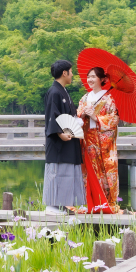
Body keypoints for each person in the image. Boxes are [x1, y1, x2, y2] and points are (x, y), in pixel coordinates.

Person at [42, 59, 85, 214]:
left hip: (68, 139)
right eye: (71, 72)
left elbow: (69, 115)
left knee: (67, 172)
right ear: (64, 73)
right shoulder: (54, 92)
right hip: (58, 141)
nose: (72, 75)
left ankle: (62, 205)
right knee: (58, 171)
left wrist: (78, 121)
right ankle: (52, 205)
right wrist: (60, 133)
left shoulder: (63, 91)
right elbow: (51, 116)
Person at [77, 66, 120, 213]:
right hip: (87, 140)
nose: (90, 79)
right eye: (88, 76)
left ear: (102, 79)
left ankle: (105, 202)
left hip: (102, 142)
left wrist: (96, 117)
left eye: (93, 77)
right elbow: (78, 116)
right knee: (88, 171)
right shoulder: (84, 98)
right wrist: (83, 115)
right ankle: (89, 202)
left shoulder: (108, 99)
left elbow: (114, 119)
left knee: (103, 170)